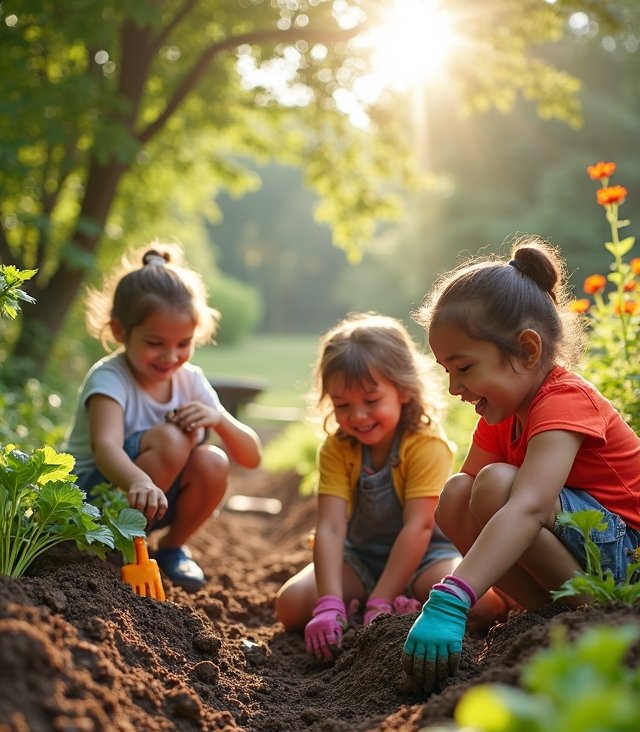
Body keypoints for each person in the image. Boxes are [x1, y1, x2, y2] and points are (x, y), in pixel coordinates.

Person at [403, 237, 640, 697]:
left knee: (496, 487)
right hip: (589, 548)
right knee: (456, 494)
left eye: (464, 367)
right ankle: (544, 621)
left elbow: (528, 507)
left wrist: (453, 596)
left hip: (629, 551)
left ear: (527, 350)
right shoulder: (503, 413)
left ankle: (597, 616)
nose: (454, 387)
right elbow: (465, 504)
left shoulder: (565, 400)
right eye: (446, 371)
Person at [275, 313, 505, 661]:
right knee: (290, 606)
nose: (358, 416)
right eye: (342, 405)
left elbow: (419, 526)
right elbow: (331, 527)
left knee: (487, 606)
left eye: (371, 401)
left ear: (403, 390)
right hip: (361, 557)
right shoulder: (338, 448)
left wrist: (381, 599)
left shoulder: (425, 445)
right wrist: (328, 602)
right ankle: (358, 608)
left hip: (426, 558)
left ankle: (393, 604)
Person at [65, 242, 262, 591]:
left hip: (152, 501)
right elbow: (104, 446)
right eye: (155, 343)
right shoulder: (110, 378)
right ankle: (111, 546)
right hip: (93, 501)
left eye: (183, 343)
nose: (171, 356)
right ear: (120, 332)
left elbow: (250, 457)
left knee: (213, 460)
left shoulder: (191, 381)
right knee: (174, 437)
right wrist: (139, 480)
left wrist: (216, 417)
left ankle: (171, 549)